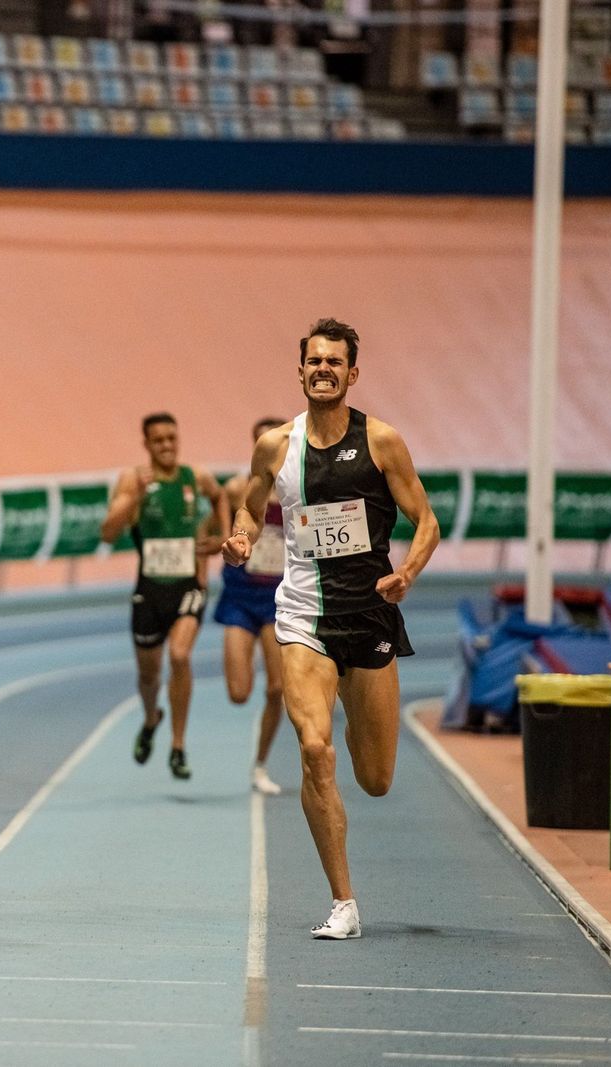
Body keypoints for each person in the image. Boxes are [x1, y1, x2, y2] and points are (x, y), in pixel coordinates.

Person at [223, 318, 440, 940]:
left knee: (374, 779)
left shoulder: (383, 443)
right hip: (301, 616)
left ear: (351, 373)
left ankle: (356, 715)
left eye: (334, 362)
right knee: (314, 749)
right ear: (301, 370)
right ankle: (343, 903)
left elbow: (426, 521)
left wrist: (407, 575)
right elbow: (250, 501)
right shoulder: (274, 444)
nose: (323, 369)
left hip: (367, 616)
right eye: (313, 360)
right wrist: (241, 535)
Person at [100, 413, 228, 781]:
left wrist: (221, 535)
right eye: (159, 440)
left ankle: (177, 745)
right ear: (147, 444)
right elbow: (108, 533)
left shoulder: (195, 477)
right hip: (149, 590)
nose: (167, 446)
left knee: (180, 655)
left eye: (172, 438)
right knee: (149, 675)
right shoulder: (133, 480)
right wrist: (133, 499)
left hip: (188, 585)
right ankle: (151, 716)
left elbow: (219, 497)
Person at [215, 416, 291, 797]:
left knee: (277, 688)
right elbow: (214, 528)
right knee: (239, 693)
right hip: (241, 598)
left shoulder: (298, 491)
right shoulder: (237, 489)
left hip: (279, 600)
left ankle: (260, 764)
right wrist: (212, 543)